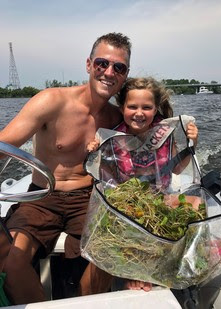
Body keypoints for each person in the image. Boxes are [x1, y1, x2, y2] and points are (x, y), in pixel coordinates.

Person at [0, 32, 131, 305]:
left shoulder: (117, 118)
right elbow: (4, 146)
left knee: (107, 255)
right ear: (88, 64)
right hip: (41, 197)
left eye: (118, 67)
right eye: (102, 63)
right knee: (12, 261)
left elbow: (153, 140)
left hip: (89, 198)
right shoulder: (52, 101)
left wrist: (188, 136)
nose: (109, 72)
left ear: (125, 74)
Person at [87, 76, 199, 291]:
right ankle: (137, 273)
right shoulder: (113, 137)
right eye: (132, 106)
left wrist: (193, 143)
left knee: (195, 204)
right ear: (122, 108)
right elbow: (107, 174)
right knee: (131, 228)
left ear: (156, 108)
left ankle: (195, 255)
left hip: (160, 196)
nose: (139, 113)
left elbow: (177, 168)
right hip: (128, 202)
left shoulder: (164, 133)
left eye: (146, 107)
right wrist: (95, 150)